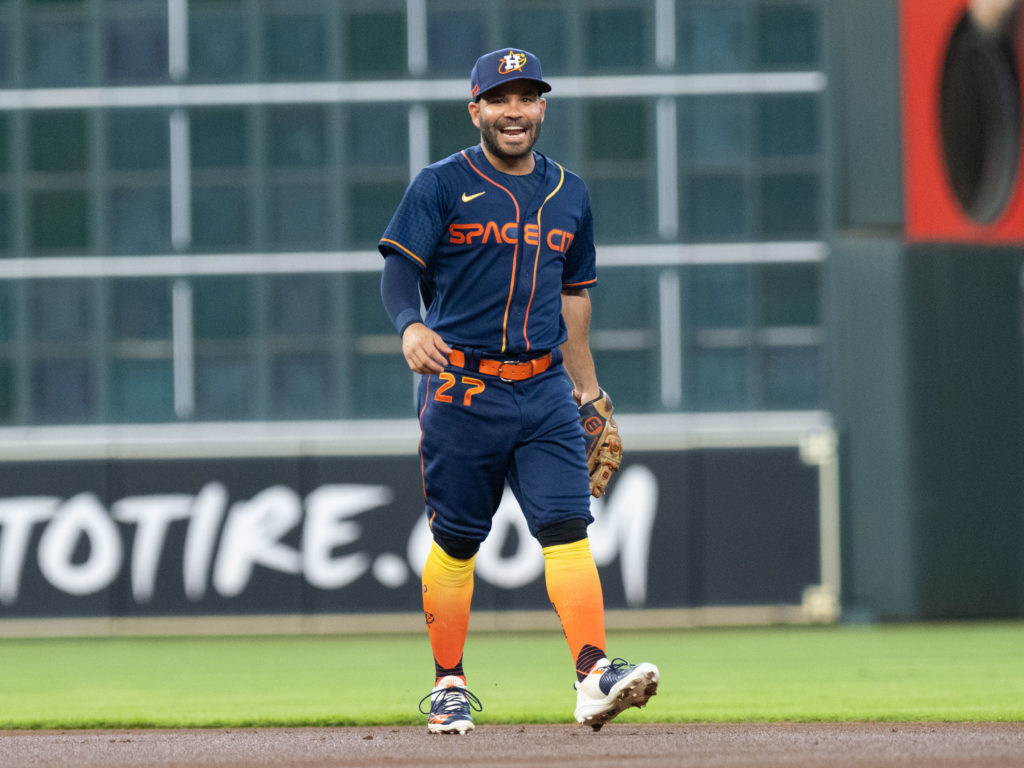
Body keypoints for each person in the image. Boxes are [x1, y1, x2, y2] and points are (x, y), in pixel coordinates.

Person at [378, 47, 658, 735]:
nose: (514, 110)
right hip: (462, 389)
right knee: (458, 541)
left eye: (527, 97)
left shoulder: (570, 192)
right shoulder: (441, 183)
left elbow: (574, 300)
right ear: (475, 109)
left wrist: (588, 391)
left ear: (542, 108)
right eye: (500, 98)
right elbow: (397, 269)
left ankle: (593, 675)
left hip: (543, 392)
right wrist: (409, 325)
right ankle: (448, 684)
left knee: (568, 531)